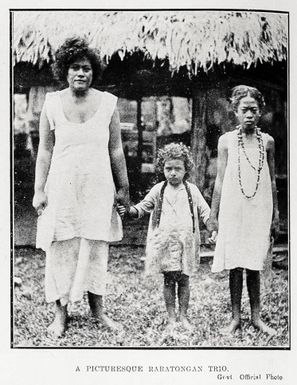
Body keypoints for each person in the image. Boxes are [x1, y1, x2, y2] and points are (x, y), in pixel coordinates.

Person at [32, 37, 129, 337]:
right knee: (61, 245)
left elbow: (116, 150)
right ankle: (60, 314)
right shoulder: (51, 103)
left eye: (86, 68)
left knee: (95, 247)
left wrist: (123, 187)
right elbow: (45, 151)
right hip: (61, 187)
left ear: (93, 71)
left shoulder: (108, 104)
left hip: (97, 188)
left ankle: (98, 311)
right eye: (74, 67)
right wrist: (38, 189)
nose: (81, 73)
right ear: (65, 70)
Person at [208, 85, 279, 336]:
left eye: (254, 110)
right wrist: (213, 216)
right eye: (244, 110)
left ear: (260, 112)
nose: (249, 115)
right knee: (236, 264)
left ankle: (257, 317)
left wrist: (276, 214)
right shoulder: (226, 141)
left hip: (259, 208)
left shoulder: (267, 142)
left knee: (254, 263)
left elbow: (271, 180)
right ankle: (236, 318)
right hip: (233, 208)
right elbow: (219, 179)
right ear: (235, 112)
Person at [118, 143, 210, 332]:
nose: (173, 173)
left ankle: (183, 316)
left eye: (178, 168)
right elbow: (142, 208)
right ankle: (171, 318)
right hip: (165, 244)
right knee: (169, 279)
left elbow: (205, 212)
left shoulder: (192, 191)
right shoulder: (158, 190)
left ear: (186, 170)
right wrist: (129, 210)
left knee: (184, 279)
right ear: (162, 168)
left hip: (186, 242)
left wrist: (213, 227)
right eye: (169, 168)